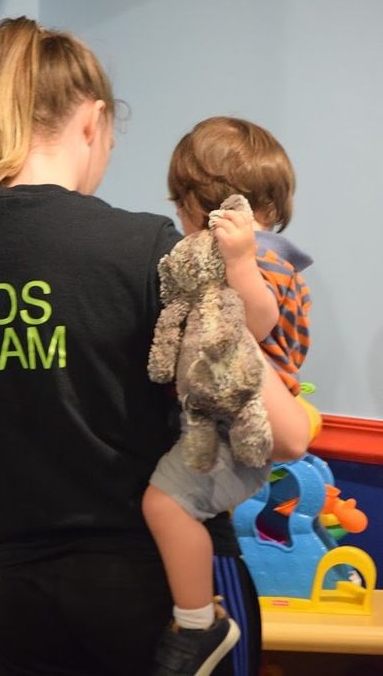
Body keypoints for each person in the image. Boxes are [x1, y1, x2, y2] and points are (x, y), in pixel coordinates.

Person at [0, 20, 310, 676]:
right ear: (93, 120)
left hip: (27, 604)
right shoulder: (149, 249)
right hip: (173, 604)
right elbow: (285, 435)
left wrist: (25, 438)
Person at [143, 116, 314, 676]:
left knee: (165, 505)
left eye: (182, 204)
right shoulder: (269, 259)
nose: (178, 218)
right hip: (231, 422)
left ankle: (199, 624)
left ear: (214, 210)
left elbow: (255, 323)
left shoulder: (258, 259)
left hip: (239, 428)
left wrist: (237, 262)